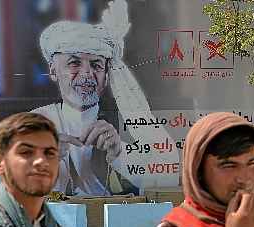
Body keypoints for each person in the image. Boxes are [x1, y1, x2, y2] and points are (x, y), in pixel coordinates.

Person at [33, 0, 179, 196]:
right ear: (53, 70)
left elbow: (167, 176)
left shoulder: (128, 121)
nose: (87, 74)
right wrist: (43, 158)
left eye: (96, 65)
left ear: (106, 74)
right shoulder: (37, 122)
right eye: (74, 63)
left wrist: (119, 153)